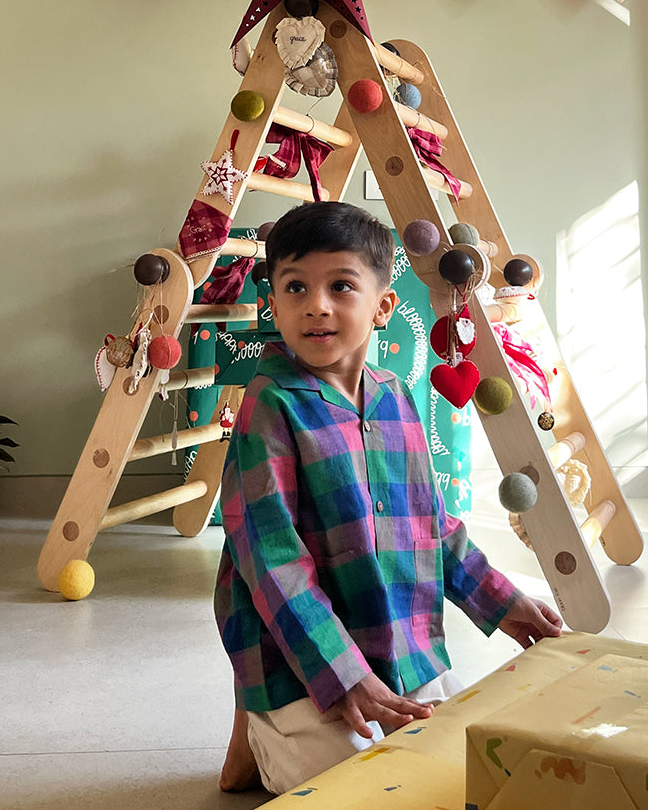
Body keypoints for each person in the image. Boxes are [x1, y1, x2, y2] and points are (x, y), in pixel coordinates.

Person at [214, 201, 562, 795]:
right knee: (349, 786)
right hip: (297, 653)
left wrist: (503, 601)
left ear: (382, 307)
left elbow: (433, 527)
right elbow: (271, 561)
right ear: (273, 302)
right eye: (295, 287)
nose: (316, 305)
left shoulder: (395, 396)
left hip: (399, 638)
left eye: (340, 285)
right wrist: (345, 676)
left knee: (453, 764)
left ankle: (282, 726)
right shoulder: (269, 405)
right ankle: (264, 732)